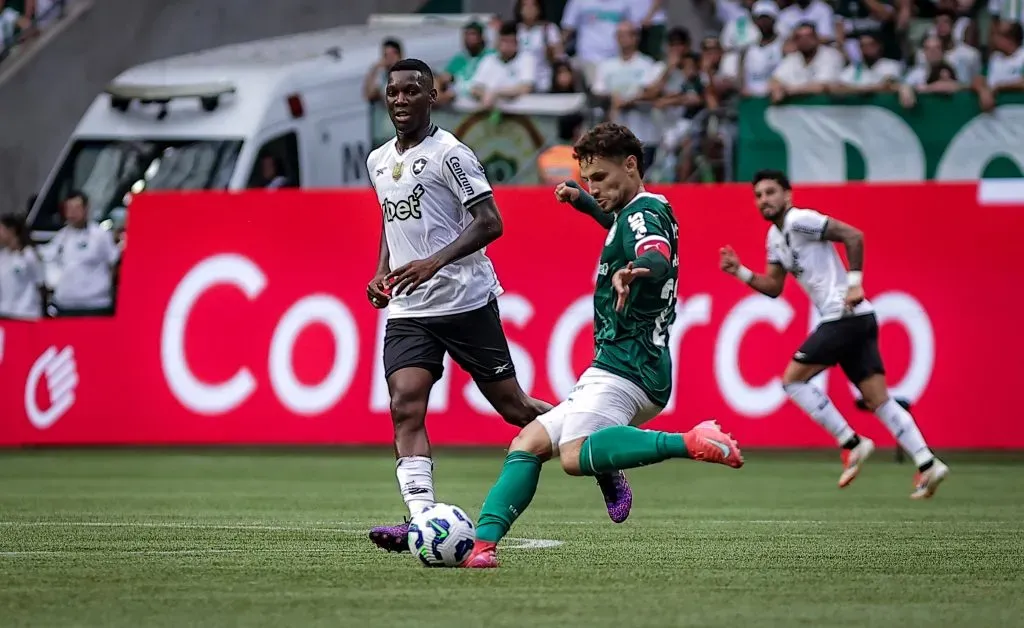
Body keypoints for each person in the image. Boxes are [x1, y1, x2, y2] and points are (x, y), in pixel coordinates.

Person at [363, 59, 633, 554]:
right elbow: (388, 220)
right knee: (405, 403)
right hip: (409, 307)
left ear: (433, 96)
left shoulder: (452, 154)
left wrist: (433, 262)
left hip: (464, 300)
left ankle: (599, 454)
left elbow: (491, 222)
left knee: (515, 408)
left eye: (411, 91)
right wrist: (383, 269)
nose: (400, 100)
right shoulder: (378, 160)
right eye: (393, 92)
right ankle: (423, 519)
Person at [462, 123, 745, 569]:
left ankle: (689, 441)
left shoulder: (642, 216)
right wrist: (584, 203)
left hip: (628, 367)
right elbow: (618, 222)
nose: (594, 186)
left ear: (631, 166)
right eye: (588, 179)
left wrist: (636, 271)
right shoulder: (640, 207)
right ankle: (483, 547)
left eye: (601, 178)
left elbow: (654, 252)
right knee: (528, 442)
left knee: (574, 456)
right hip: (624, 363)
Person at [719, 170, 949, 499]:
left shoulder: (801, 220)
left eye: (771, 192)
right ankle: (928, 464)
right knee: (877, 400)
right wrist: (739, 271)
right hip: (859, 319)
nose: (764, 200)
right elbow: (773, 287)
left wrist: (854, 282)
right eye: (758, 195)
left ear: (788, 195)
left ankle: (852, 443)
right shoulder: (774, 238)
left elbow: (853, 235)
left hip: (842, 316)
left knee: (792, 380)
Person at [0, 212, 43, 320]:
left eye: (1, 229)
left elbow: (40, 282)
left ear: (11, 231)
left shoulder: (29, 255)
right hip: (5, 313)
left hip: (26, 314)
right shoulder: (2, 255)